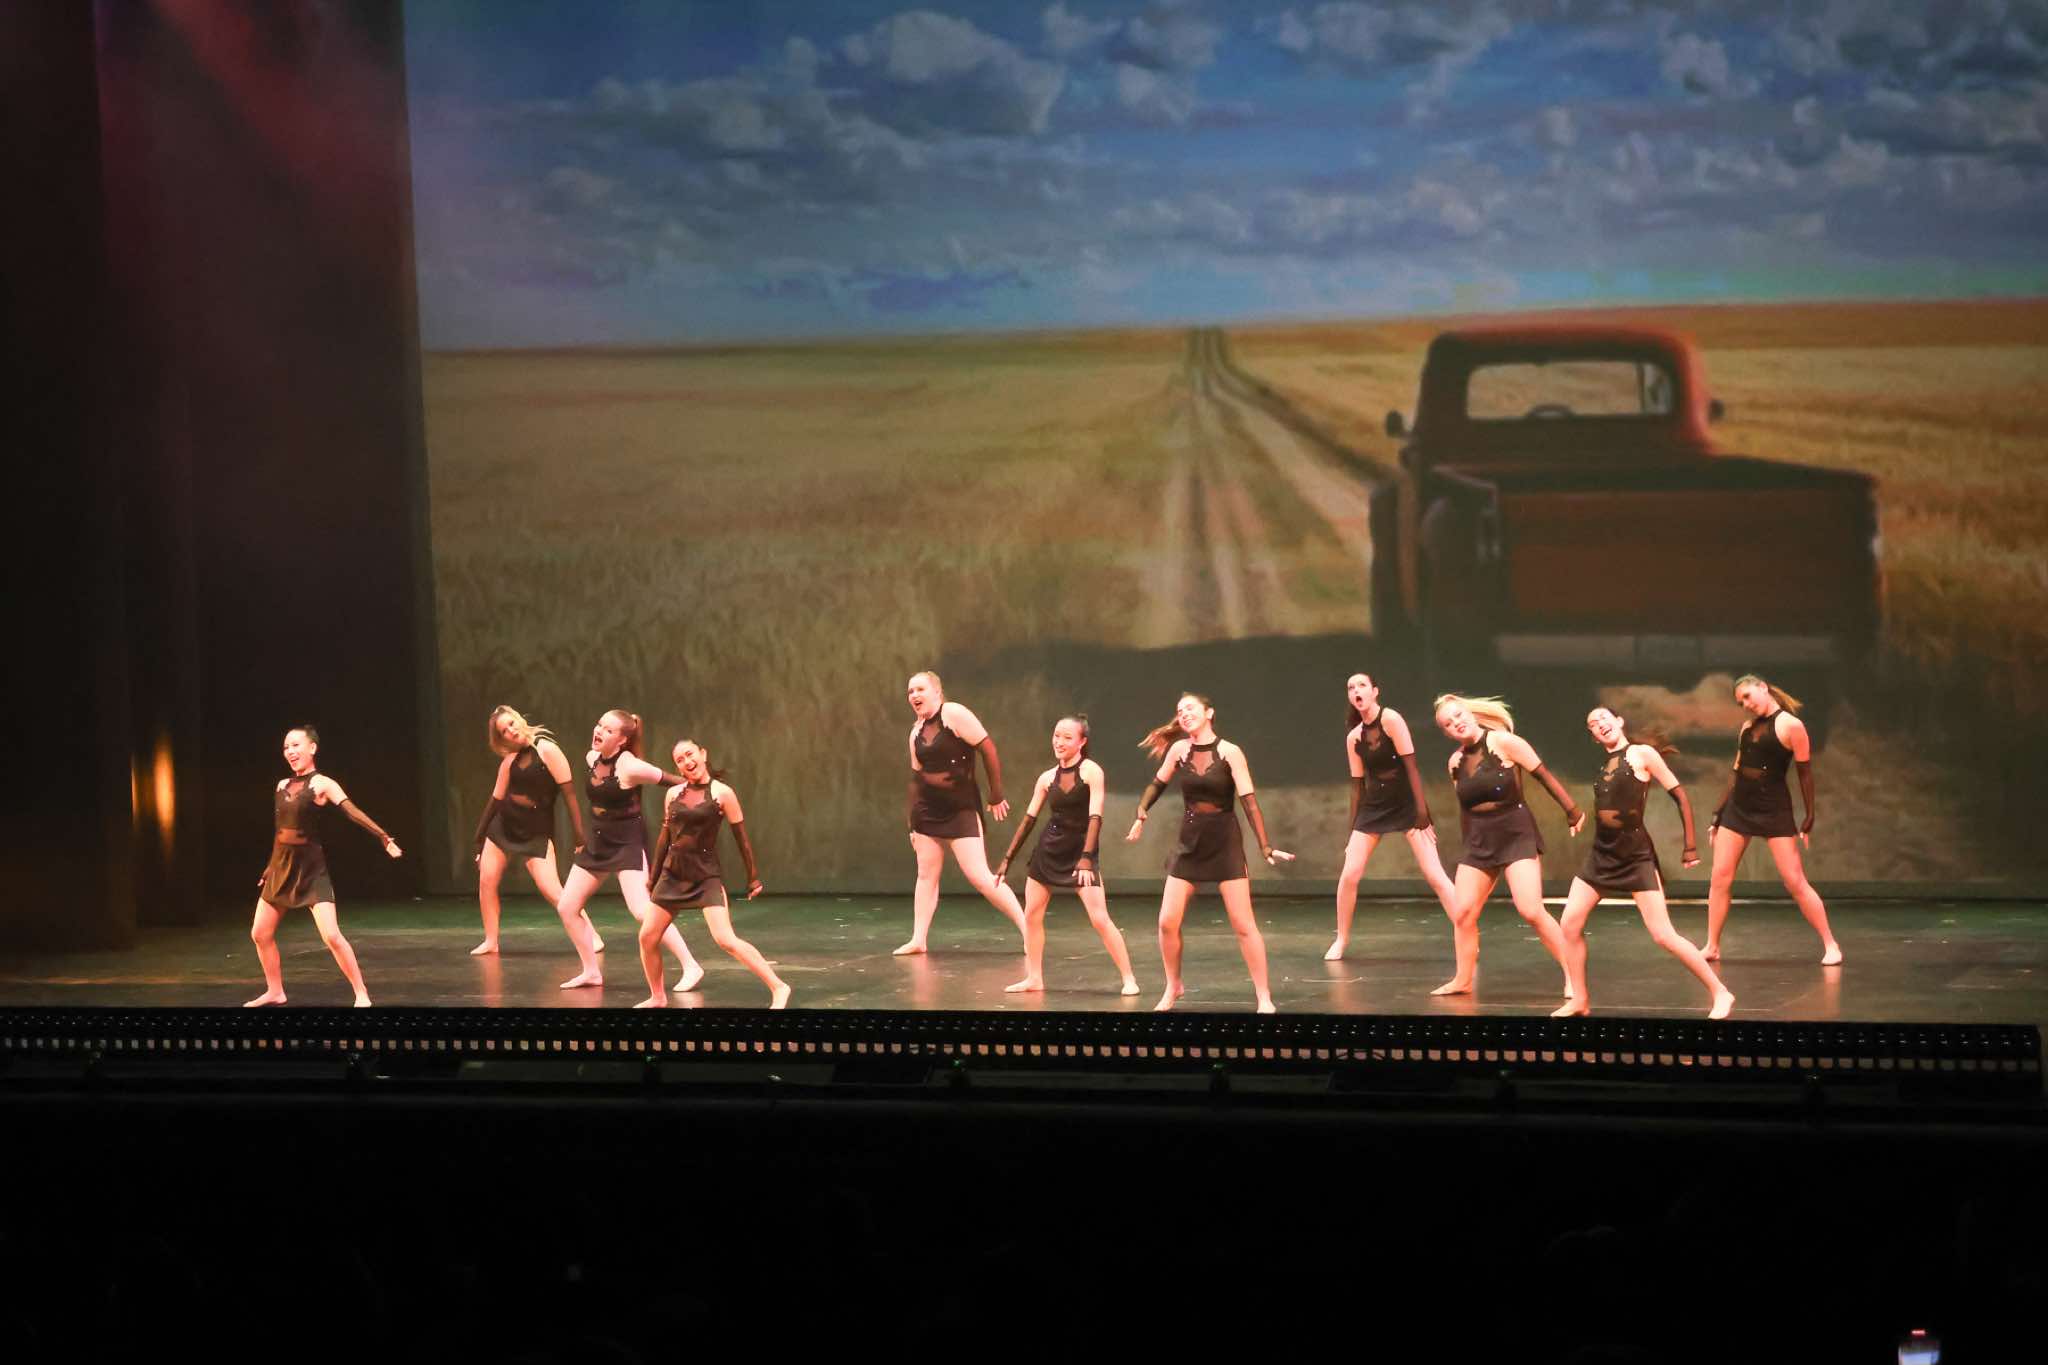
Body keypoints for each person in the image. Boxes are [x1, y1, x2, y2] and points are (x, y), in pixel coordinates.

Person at [1554, 708, 1734, 1020]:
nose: (1600, 725)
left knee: (1663, 934)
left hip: (1634, 856)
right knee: (1569, 924)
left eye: (1604, 718)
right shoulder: (1605, 764)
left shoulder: (1642, 754)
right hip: (1601, 854)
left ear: (1619, 721)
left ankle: (1720, 992)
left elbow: (1680, 796)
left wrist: (1690, 845)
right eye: (1593, 724)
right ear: (1593, 736)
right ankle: (1580, 1000)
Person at [1125, 693, 1294, 1013]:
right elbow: (1157, 784)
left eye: (1190, 708)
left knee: (1244, 925)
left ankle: (1263, 996)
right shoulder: (1179, 750)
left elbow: (1249, 802)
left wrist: (1265, 845)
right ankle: (1173, 985)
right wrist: (1142, 810)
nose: (1184, 713)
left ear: (1209, 713)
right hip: (1190, 842)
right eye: (1180, 710)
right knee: (1167, 922)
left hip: (1224, 842)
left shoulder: (1230, 752)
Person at [1430, 694, 1578, 999]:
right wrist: (1468, 849)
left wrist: (1572, 810)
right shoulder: (1455, 763)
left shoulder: (1504, 742)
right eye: (1448, 724)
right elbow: (1466, 809)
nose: (1456, 723)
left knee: (1530, 909)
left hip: (1515, 833)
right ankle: (1462, 979)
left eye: (1458, 715)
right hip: (1479, 841)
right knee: (1463, 913)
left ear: (1470, 713)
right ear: (1446, 733)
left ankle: (1574, 974)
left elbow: (1543, 775)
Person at [244, 725, 401, 1008]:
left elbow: (352, 812)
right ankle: (275, 991)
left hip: (311, 870)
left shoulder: (323, 784)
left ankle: (361, 993)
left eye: (296, 745)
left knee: (331, 935)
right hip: (281, 868)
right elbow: (280, 832)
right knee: (260, 933)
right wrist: (269, 868)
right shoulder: (281, 785)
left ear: (312, 748)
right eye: (286, 747)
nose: (290, 751)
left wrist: (382, 836)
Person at [552, 709, 704, 993]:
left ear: (622, 740)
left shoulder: (631, 766)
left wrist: (701, 792)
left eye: (608, 730)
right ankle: (591, 971)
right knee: (567, 907)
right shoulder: (591, 758)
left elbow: (674, 781)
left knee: (642, 910)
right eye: (599, 725)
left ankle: (691, 965)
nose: (599, 731)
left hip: (626, 843)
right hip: (598, 843)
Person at [638, 739, 790, 1009]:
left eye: (690, 755)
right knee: (647, 936)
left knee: (725, 939)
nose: (687, 762)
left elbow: (741, 838)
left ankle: (779, 986)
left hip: (704, 875)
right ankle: (657, 997)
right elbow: (665, 838)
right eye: (680, 760)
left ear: (703, 754)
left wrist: (753, 877)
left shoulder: (723, 793)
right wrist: (653, 877)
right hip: (672, 875)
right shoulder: (673, 794)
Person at [994, 715, 1140, 997]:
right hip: (1048, 851)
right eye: (1056, 736)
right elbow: (1028, 820)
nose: (1059, 742)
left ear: (1082, 742)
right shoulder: (1046, 778)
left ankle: (1129, 978)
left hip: (1080, 852)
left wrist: (1086, 858)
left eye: (1067, 737)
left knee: (1099, 918)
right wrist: (1007, 860)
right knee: (1032, 915)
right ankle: (1034, 978)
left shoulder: (1091, 772)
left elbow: (1095, 817)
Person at [1703, 674, 1842, 965]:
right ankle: (1712, 946)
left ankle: (1831, 944)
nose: (1745, 704)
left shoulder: (1791, 726)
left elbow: (1805, 773)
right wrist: (1718, 812)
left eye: (1747, 696)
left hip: (1773, 808)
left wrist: (1810, 814)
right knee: (1719, 878)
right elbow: (1736, 772)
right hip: (1739, 808)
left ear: (1763, 688)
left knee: (1794, 881)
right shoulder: (1746, 728)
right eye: (1740, 702)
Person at [1327, 672, 1460, 962]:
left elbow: (1411, 767)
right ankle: (1341, 939)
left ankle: (1466, 934)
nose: (1356, 691)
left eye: (1362, 685)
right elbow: (1357, 786)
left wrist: (1423, 812)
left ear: (1375, 691)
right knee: (1349, 874)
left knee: (1435, 874)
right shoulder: (1353, 738)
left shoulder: (1391, 719)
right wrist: (1352, 831)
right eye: (1351, 687)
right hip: (1374, 807)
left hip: (1406, 803)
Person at [897, 670, 1028, 956]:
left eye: (920, 689)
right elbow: (916, 779)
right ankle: (919, 939)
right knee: (926, 875)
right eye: (910, 692)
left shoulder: (953, 714)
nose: (914, 695)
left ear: (937, 692)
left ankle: (1029, 931)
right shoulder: (915, 732)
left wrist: (996, 794)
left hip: (960, 809)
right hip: (927, 812)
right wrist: (912, 824)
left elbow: (988, 749)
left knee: (980, 876)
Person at [469, 705, 603, 956]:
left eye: (511, 723)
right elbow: (495, 802)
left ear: (519, 719)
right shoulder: (509, 761)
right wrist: (478, 840)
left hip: (535, 831)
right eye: (504, 731)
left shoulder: (547, 749)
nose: (511, 730)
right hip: (503, 826)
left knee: (552, 890)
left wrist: (579, 835)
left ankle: (591, 935)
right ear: (501, 739)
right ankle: (491, 940)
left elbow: (569, 794)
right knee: (486, 881)